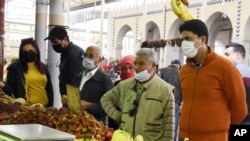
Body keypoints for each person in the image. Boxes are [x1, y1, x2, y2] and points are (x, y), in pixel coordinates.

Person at [178, 19, 247, 141]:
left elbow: (240, 108)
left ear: (202, 40)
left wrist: (222, 130)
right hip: (184, 137)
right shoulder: (184, 70)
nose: (184, 43)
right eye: (182, 40)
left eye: (188, 39)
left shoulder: (225, 67)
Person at [101, 48, 175, 141]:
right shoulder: (125, 85)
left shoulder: (165, 90)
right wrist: (117, 115)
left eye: (141, 64)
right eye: (135, 63)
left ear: (154, 66)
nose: (136, 67)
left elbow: (169, 128)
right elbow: (105, 99)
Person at [62, 45, 114, 122]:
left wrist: (90, 106)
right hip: (75, 122)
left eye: (91, 56)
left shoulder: (105, 80)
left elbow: (110, 106)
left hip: (94, 126)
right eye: (85, 55)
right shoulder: (77, 77)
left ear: (100, 59)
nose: (86, 58)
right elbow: (73, 99)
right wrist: (67, 100)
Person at [0, 38, 54, 107]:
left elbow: (49, 88)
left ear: (37, 51)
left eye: (31, 50)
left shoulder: (43, 67)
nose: (28, 53)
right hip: (27, 109)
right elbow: (12, 92)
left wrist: (51, 106)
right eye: (25, 52)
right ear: (22, 53)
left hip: (45, 107)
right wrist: (3, 85)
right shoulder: (15, 69)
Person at [44, 26, 84, 96]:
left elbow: (76, 81)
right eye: (52, 43)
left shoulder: (74, 54)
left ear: (65, 39)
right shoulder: (66, 52)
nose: (53, 45)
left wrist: (71, 102)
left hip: (73, 98)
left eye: (55, 42)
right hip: (67, 96)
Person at [225, 43, 250, 124]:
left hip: (236, 119)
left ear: (238, 56)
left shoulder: (233, 72)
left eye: (227, 54)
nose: (224, 57)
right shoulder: (247, 71)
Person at [108, 55, 135, 129]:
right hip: (116, 124)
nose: (127, 71)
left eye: (130, 68)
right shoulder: (116, 84)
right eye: (124, 68)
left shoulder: (139, 85)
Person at [158, 59, 182, 141]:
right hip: (175, 101)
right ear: (178, 65)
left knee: (159, 124)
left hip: (160, 101)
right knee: (172, 125)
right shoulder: (180, 73)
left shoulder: (161, 70)